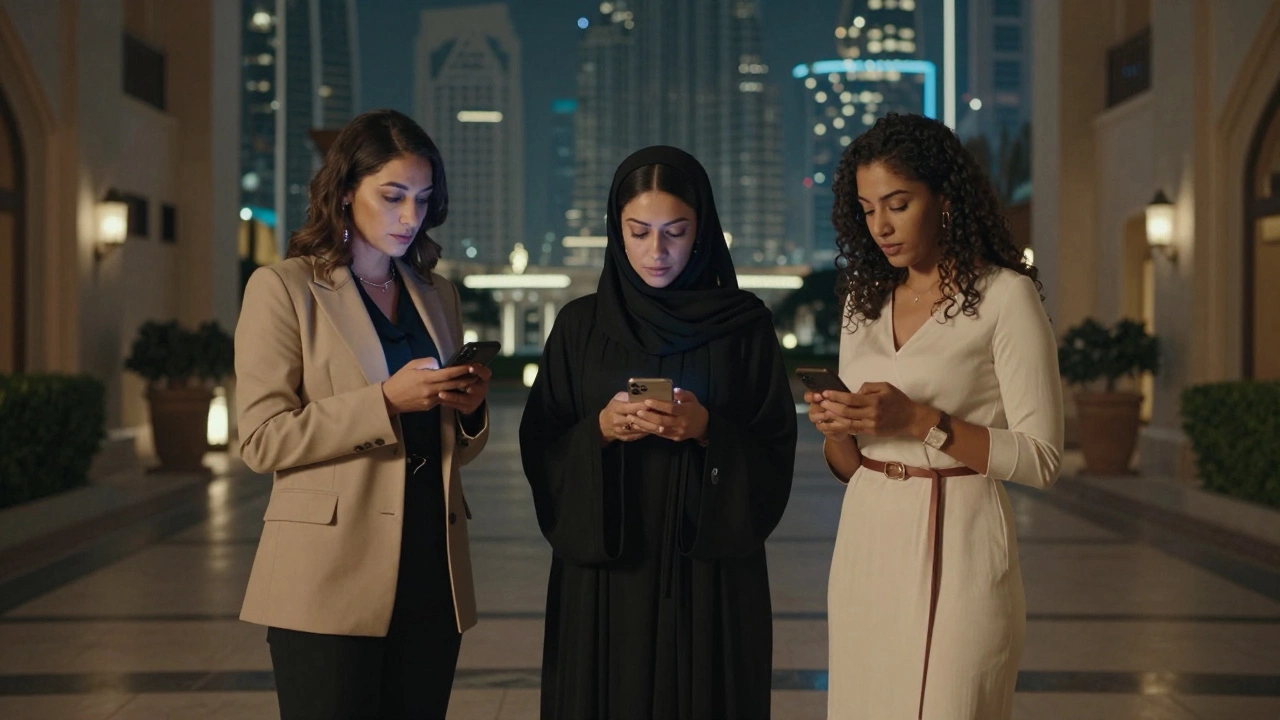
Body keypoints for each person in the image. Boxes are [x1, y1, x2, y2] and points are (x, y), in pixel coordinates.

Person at [519, 145, 797, 719]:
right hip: (604, 574)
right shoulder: (579, 325)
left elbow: (775, 450)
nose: (657, 251)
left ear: (702, 230)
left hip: (709, 574)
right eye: (638, 231)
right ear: (615, 230)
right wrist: (598, 430)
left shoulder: (744, 326)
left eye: (675, 231)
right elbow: (541, 441)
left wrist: (706, 431)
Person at [234, 108, 491, 720]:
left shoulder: (437, 295)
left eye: (424, 199)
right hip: (328, 573)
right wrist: (383, 403)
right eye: (393, 195)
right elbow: (262, 440)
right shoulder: (284, 289)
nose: (411, 216)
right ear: (346, 191)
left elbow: (454, 441)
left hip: (432, 568)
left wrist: (470, 413)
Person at [809, 113, 1063, 720]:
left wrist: (924, 420)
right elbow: (850, 466)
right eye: (868, 209)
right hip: (867, 542)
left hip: (965, 542)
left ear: (945, 199)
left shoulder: (1006, 297)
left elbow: (1042, 459)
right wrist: (836, 429)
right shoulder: (861, 305)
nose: (881, 227)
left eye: (898, 204)